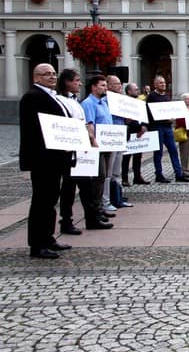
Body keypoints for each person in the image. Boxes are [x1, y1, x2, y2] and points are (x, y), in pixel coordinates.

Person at [19, 63, 74, 258]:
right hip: (43, 158)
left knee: (51, 200)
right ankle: (37, 244)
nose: (52, 77)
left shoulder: (52, 95)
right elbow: (35, 129)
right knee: (41, 201)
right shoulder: (32, 96)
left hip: (55, 157)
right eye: (46, 74)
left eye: (53, 73)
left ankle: (48, 238)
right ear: (36, 77)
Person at [56, 69, 113, 233]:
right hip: (70, 149)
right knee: (68, 188)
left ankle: (92, 218)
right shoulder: (61, 100)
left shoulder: (75, 101)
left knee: (86, 186)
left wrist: (90, 139)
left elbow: (85, 123)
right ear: (67, 82)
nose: (80, 84)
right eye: (76, 80)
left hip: (81, 148)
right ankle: (66, 221)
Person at [81, 75, 118, 221]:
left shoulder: (103, 103)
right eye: (102, 85)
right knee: (98, 178)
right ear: (93, 87)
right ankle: (96, 209)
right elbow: (89, 124)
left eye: (105, 85)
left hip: (108, 144)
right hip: (97, 146)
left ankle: (100, 207)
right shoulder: (88, 103)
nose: (105, 88)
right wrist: (93, 141)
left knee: (104, 177)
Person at [146, 75, 189, 183]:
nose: (163, 84)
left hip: (167, 127)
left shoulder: (166, 96)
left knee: (173, 150)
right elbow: (150, 113)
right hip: (157, 127)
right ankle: (159, 174)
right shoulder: (151, 97)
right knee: (158, 152)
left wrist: (173, 117)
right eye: (161, 83)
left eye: (164, 82)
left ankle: (178, 174)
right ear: (155, 84)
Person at [104, 75, 132, 209]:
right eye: (116, 84)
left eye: (120, 83)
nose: (120, 86)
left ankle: (118, 198)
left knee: (116, 171)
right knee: (108, 172)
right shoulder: (105, 101)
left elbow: (127, 120)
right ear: (108, 85)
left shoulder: (122, 101)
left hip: (120, 135)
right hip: (110, 137)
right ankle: (106, 200)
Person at [121, 82, 149, 186]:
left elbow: (144, 116)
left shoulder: (139, 103)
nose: (138, 91)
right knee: (126, 157)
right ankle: (124, 178)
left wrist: (144, 127)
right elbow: (127, 119)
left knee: (138, 156)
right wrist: (139, 128)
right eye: (135, 89)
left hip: (140, 132)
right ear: (129, 91)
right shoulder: (124, 103)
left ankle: (137, 176)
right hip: (130, 132)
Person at [176, 92, 189, 178]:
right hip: (185, 132)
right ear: (183, 100)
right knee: (185, 152)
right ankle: (185, 170)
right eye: (187, 99)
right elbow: (179, 121)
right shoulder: (180, 109)